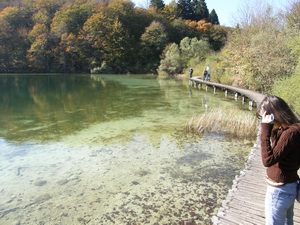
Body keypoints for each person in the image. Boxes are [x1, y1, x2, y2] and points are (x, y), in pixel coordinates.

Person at [256, 95, 300, 225]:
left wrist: (265, 130)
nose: (263, 121)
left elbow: (268, 160)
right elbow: (278, 150)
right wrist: (273, 128)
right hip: (288, 186)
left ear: (273, 115)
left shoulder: (290, 133)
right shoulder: (291, 129)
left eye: (264, 117)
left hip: (280, 190)